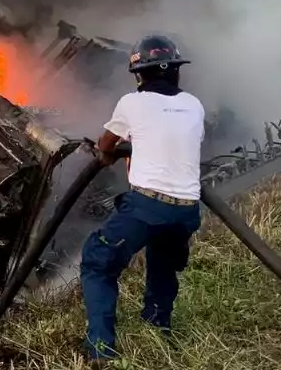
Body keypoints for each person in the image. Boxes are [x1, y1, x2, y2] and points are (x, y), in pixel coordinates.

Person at [80, 35, 205, 364]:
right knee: (163, 262)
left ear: (139, 75)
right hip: (188, 210)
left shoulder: (131, 103)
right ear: (176, 71)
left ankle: (100, 349)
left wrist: (110, 155)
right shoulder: (194, 104)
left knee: (97, 261)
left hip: (148, 207)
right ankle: (157, 329)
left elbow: (106, 147)